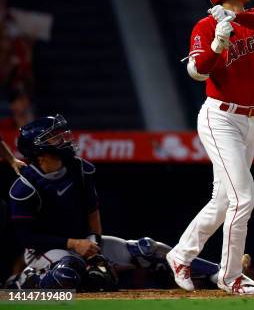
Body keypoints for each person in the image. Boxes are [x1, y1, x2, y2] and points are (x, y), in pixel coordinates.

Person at [6, 115, 221, 290]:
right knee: (68, 272)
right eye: (53, 137)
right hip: (47, 250)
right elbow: (28, 238)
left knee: (146, 249)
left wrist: (94, 243)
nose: (63, 139)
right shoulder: (24, 189)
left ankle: (216, 272)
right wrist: (74, 244)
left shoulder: (79, 169)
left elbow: (92, 211)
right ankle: (24, 283)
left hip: (84, 242)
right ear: (39, 151)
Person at [167, 0, 254, 295]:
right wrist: (218, 43)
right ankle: (230, 277)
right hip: (221, 118)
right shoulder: (205, 25)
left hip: (250, 119)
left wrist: (234, 20)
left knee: (223, 200)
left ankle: (180, 254)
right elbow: (197, 72)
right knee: (243, 198)